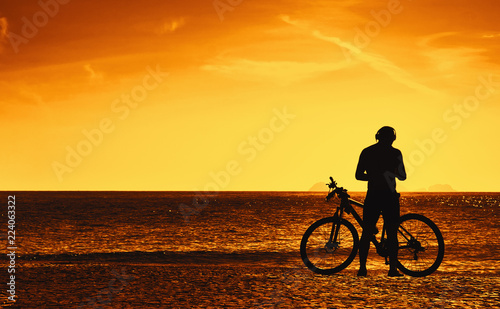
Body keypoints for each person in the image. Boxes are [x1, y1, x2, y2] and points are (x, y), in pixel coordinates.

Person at [355, 126, 406, 277]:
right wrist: (389, 174)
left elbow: (358, 175)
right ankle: (392, 270)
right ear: (393, 138)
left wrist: (373, 177)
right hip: (389, 196)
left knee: (366, 233)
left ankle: (362, 269)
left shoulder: (367, 151)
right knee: (391, 233)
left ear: (377, 136)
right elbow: (403, 176)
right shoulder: (395, 153)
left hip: (373, 196)